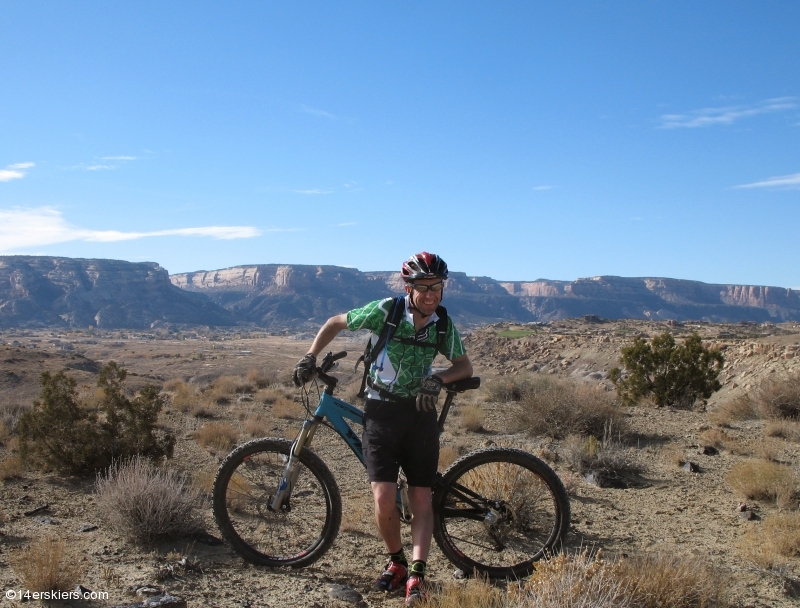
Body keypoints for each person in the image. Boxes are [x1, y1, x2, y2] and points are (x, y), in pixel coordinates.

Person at [293, 252, 472, 606]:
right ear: (409, 287)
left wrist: (438, 378)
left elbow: (463, 366)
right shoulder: (386, 311)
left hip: (420, 416)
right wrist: (310, 356)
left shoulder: (442, 324)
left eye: (437, 287)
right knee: (383, 498)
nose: (432, 294)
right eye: (424, 287)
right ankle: (398, 562)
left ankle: (417, 576)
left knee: (421, 498)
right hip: (381, 413)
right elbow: (335, 322)